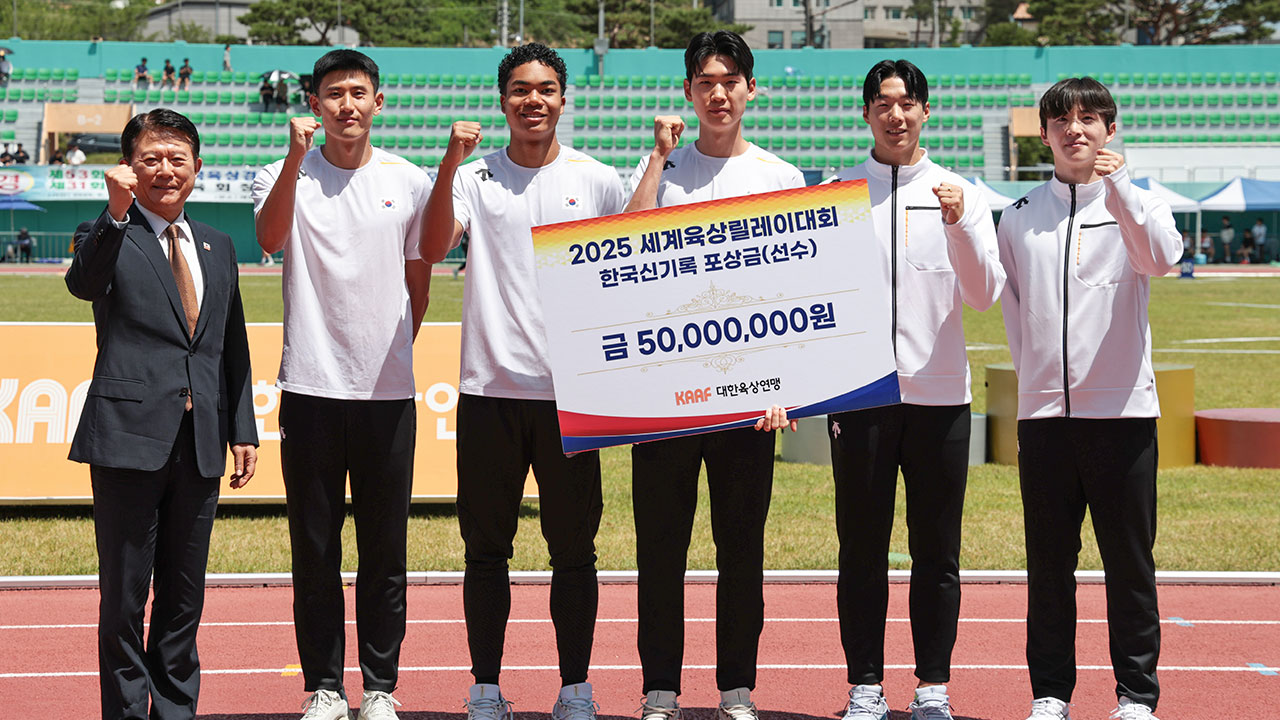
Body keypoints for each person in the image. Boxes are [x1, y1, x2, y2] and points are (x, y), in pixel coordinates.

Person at [418, 43, 625, 720]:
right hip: (489, 391)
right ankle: (485, 689)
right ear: (502, 100)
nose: (532, 100)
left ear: (564, 98)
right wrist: (449, 161)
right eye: (519, 89)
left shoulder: (598, 180)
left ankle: (575, 689)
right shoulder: (474, 178)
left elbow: (633, 268)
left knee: (575, 552)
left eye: (545, 89)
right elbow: (434, 244)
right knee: (485, 552)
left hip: (571, 397)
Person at [624, 30, 799, 720]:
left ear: (751, 89)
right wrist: (658, 156)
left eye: (730, 81)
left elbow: (793, 292)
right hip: (664, 392)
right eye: (705, 82)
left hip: (747, 398)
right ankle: (660, 688)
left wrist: (782, 387)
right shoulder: (662, 170)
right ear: (687, 92)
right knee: (660, 549)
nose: (718, 94)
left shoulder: (781, 178)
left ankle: (736, 689)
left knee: (741, 550)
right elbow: (621, 247)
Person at [252, 48, 432, 720]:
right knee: (315, 549)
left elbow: (419, 281)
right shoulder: (283, 172)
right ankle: (325, 686)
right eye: (333, 93)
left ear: (378, 102)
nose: (347, 104)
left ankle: (380, 687)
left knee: (386, 550)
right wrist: (295, 159)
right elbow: (270, 238)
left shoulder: (408, 180)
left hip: (387, 394)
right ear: (314, 104)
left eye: (358, 92)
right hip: (309, 387)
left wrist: (391, 353)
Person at [822, 59, 1004, 720]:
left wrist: (958, 225)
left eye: (907, 103)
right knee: (860, 551)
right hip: (861, 398)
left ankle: (933, 686)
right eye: (883, 103)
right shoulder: (837, 193)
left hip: (941, 399)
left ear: (926, 111)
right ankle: (865, 686)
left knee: (937, 552)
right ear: (865, 112)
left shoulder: (962, 193)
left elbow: (984, 295)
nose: (895, 114)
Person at [64, 108, 259, 720]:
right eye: (151, 158)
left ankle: (175, 711)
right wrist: (115, 212)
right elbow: (83, 284)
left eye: (178, 158)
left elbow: (230, 344)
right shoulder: (105, 232)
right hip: (127, 439)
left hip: (200, 441)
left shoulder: (219, 244)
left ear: (198, 167)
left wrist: (242, 429)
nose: (165, 170)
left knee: (182, 599)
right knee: (124, 600)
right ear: (129, 167)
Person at [996, 77, 1180, 720]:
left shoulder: (1143, 203)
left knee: (1130, 563)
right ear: (1044, 134)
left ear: (1110, 128)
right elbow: (1012, 310)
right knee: (1048, 566)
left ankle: (1136, 694)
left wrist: (1121, 189)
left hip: (1123, 414)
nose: (1076, 130)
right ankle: (1050, 693)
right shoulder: (1019, 216)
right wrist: (1035, 384)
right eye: (1061, 121)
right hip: (1045, 417)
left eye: (1089, 119)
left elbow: (1160, 260)